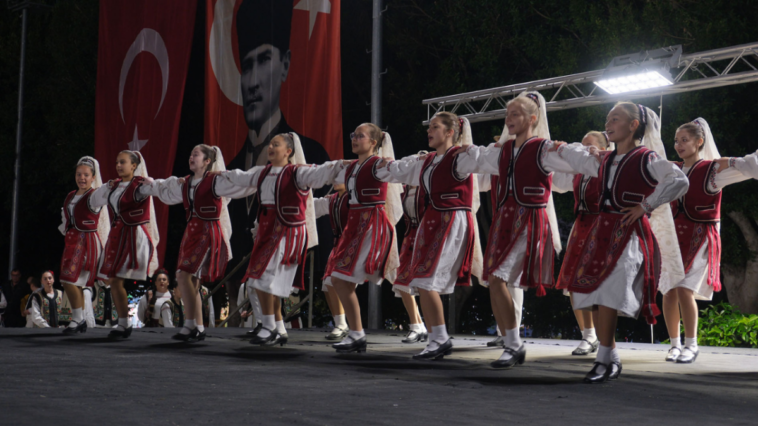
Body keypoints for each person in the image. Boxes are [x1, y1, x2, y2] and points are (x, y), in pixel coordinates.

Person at [557, 102, 689, 383]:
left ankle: (605, 358)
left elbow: (678, 180)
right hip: (601, 232)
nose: (608, 123)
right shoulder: (603, 159)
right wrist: (555, 145)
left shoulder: (646, 157)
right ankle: (609, 356)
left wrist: (646, 205)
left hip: (629, 234)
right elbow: (574, 158)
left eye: (615, 119)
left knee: (608, 293)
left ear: (633, 125)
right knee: (590, 294)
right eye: (607, 118)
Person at [461, 91, 576, 369]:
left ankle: (513, 344)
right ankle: (510, 341)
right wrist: (460, 151)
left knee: (499, 278)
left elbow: (572, 172)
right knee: (493, 280)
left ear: (532, 118)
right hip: (504, 222)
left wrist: (593, 153)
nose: (508, 119)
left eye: (515, 114)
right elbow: (478, 170)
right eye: (507, 114)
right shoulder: (502, 151)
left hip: (528, 222)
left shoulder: (544, 148)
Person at [227, 0, 333, 300]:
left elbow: (319, 205)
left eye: (263, 60)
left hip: (287, 249)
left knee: (272, 288)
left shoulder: (311, 153)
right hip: (243, 265)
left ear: (285, 65)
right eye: (247, 66)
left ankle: (276, 328)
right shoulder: (241, 166)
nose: (253, 82)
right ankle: (269, 328)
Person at [222, 133, 343, 346]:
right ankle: (276, 327)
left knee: (264, 279)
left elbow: (322, 171)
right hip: (266, 234)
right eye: (270, 144)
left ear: (289, 151)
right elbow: (238, 177)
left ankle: (269, 327)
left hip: (287, 233)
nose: (270, 147)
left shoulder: (298, 173)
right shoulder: (261, 173)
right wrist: (214, 176)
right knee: (258, 280)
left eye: (275, 144)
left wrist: (343, 165)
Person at [380, 117, 486, 360]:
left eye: (435, 127)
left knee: (426, 280)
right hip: (432, 222)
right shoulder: (427, 161)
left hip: (452, 221)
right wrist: (378, 165)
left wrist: (510, 149)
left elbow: (490, 160)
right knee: (419, 279)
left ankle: (440, 339)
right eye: (429, 127)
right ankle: (437, 338)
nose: (429, 131)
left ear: (450, 132)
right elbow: (398, 170)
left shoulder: (461, 156)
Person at [661, 118, 750, 363]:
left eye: (685, 140)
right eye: (677, 141)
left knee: (684, 290)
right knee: (668, 291)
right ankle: (674, 344)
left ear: (700, 142)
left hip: (700, 238)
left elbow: (748, 169)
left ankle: (691, 344)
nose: (679, 144)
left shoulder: (712, 171)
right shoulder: (674, 169)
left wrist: (732, 162)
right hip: (674, 238)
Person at [145, 144, 245, 341]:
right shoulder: (186, 182)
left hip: (207, 232)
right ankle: (197, 327)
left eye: (196, 155)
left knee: (182, 276)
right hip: (191, 233)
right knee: (191, 280)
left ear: (207, 161)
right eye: (190, 154)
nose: (191, 157)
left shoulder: (216, 181)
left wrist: (265, 176)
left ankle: (190, 324)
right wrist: (146, 182)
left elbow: (241, 183)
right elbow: (163, 189)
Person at [325, 125, 403, 354]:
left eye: (361, 136)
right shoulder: (350, 168)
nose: (355, 139)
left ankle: (357, 333)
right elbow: (322, 172)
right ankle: (356, 334)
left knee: (341, 278)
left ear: (373, 143)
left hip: (372, 225)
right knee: (338, 278)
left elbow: (403, 169)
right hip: (354, 227)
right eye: (353, 135)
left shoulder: (379, 164)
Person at [552, 131, 612, 355]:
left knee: (598, 284)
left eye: (589, 146)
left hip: (602, 226)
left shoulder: (610, 166)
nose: (583, 149)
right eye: (582, 145)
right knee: (573, 283)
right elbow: (556, 182)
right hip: (581, 227)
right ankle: (588, 336)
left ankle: (605, 338)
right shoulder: (578, 171)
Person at [90, 150, 160, 339]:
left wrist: (155, 182)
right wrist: (106, 187)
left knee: (122, 280)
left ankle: (127, 322)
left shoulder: (141, 186)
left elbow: (160, 189)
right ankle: (123, 323)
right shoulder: (115, 186)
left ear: (134, 166)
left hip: (134, 236)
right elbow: (94, 200)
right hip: (118, 235)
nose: (119, 166)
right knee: (113, 280)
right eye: (117, 162)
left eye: (123, 162)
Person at [58, 156, 111, 336]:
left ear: (93, 177)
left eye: (86, 175)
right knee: (76, 282)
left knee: (67, 280)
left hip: (86, 242)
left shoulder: (94, 195)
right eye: (79, 174)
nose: (82, 178)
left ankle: (77, 319)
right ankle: (78, 319)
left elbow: (108, 190)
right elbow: (65, 218)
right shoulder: (70, 196)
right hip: (72, 240)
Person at [392, 178, 428, 344]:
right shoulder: (404, 190)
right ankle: (417, 325)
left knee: (426, 284)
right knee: (401, 281)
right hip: (409, 238)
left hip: (426, 237)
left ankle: (430, 330)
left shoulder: (428, 187)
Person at [313, 184, 351, 341]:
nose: (335, 182)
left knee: (334, 283)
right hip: (338, 246)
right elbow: (311, 206)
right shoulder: (333, 200)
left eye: (340, 178)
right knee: (327, 285)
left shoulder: (354, 199)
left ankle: (351, 327)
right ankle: (341, 324)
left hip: (353, 245)